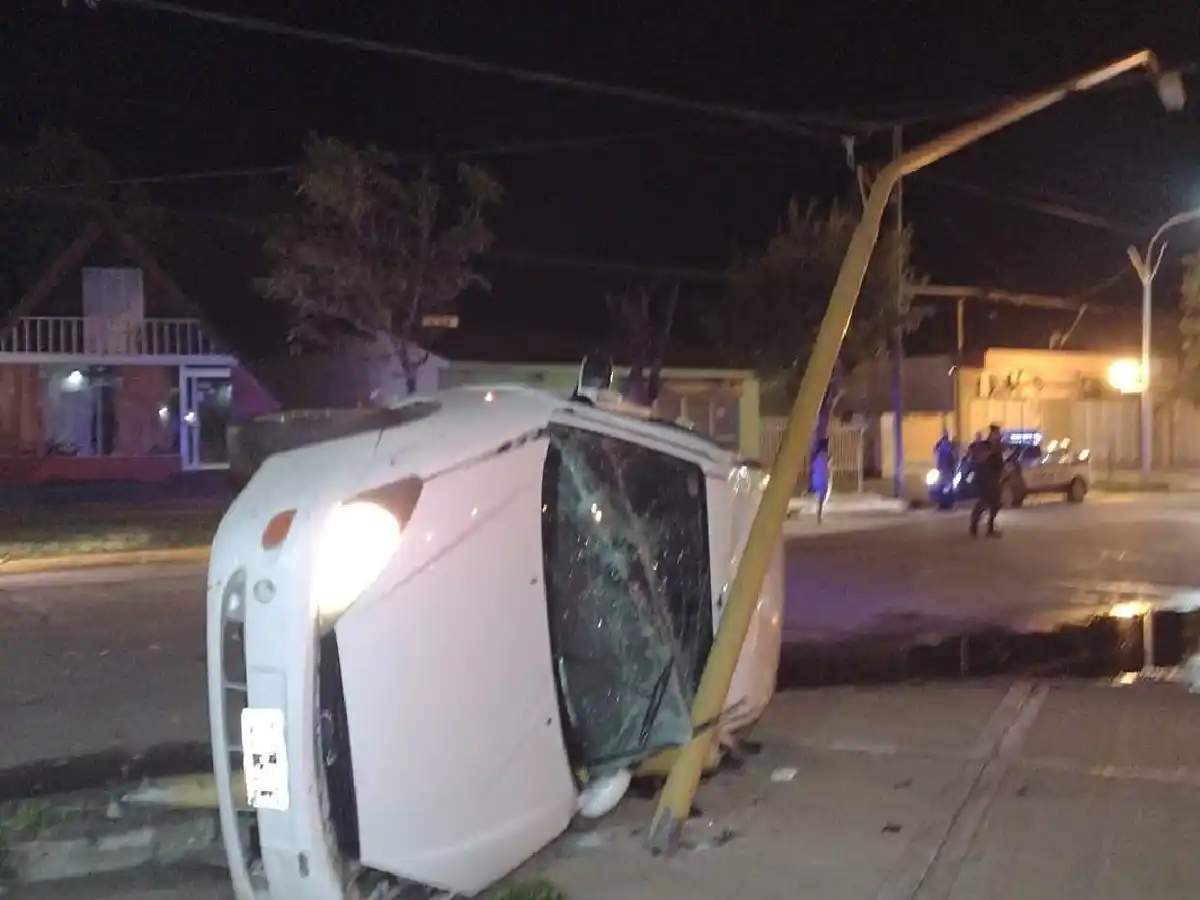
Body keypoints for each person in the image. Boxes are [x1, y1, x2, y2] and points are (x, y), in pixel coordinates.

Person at [969, 424, 1006, 538]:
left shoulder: (997, 446)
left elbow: (1000, 462)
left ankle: (989, 528)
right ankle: (974, 526)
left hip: (995, 479)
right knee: (983, 503)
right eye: (997, 433)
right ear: (992, 434)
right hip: (986, 480)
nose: (999, 435)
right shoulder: (986, 446)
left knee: (996, 504)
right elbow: (980, 460)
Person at [810, 438, 831, 524]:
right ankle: (819, 514)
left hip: (816, 476)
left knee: (819, 495)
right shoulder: (825, 455)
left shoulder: (816, 454)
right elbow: (827, 466)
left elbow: (814, 465)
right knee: (822, 496)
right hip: (822, 476)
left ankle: (819, 512)